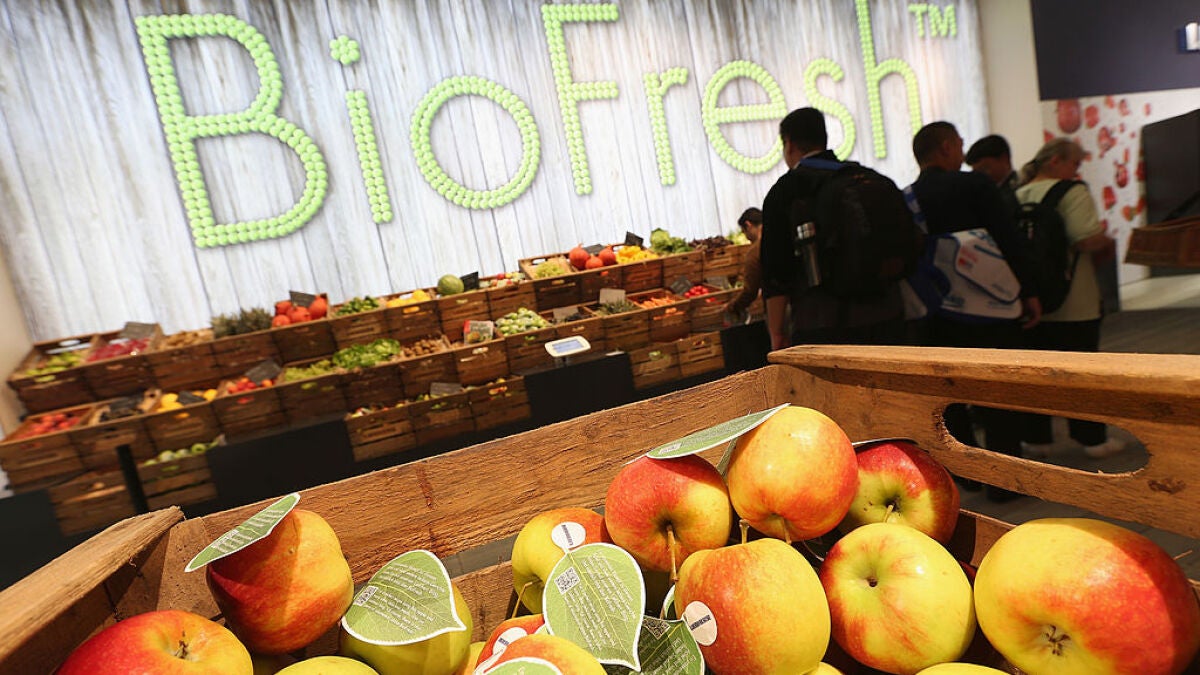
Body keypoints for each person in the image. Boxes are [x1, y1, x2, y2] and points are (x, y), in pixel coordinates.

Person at [909, 121, 1043, 501]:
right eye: (959, 144)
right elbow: (1007, 239)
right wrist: (1029, 291)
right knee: (997, 390)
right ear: (947, 147)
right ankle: (1004, 483)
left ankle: (965, 474)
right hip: (991, 309)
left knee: (950, 396)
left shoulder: (908, 199)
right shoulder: (975, 186)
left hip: (938, 309)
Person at [758, 107, 906, 350]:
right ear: (823, 138)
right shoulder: (867, 177)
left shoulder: (785, 191)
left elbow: (776, 272)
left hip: (824, 325)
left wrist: (777, 333)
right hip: (888, 314)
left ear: (789, 144)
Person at [1016, 137, 1125, 459]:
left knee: (1034, 376)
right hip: (1075, 299)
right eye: (1074, 163)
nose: (1076, 171)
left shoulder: (1016, 195)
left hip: (1030, 302)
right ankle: (1092, 439)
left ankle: (1037, 438)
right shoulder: (1072, 192)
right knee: (1080, 373)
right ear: (1056, 161)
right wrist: (1106, 240)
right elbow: (1085, 239)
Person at [966, 134, 1020, 219]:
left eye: (984, 169)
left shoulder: (1018, 192)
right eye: (975, 172)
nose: (980, 176)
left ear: (1004, 159)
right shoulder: (982, 192)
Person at [724, 208, 763, 318]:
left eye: (744, 232)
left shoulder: (755, 251)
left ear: (748, 225)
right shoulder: (781, 237)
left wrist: (732, 306)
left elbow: (750, 291)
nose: (746, 238)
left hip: (777, 304)